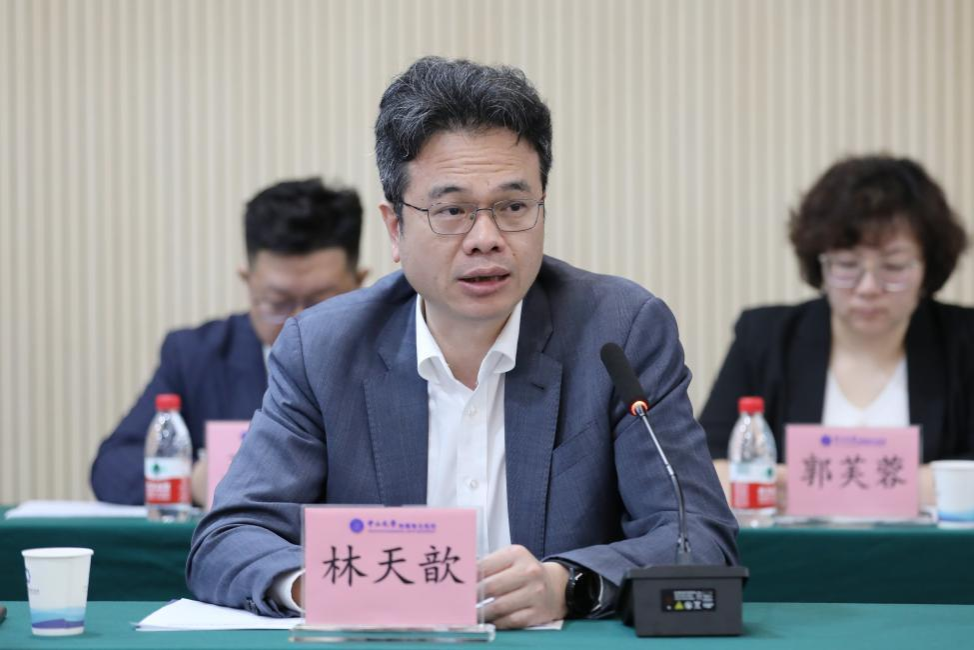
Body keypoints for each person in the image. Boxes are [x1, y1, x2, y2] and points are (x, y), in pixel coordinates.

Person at [187, 56, 737, 629]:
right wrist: (325, 586)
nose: (486, 238)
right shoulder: (324, 347)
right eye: (451, 211)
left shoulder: (618, 332)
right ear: (395, 229)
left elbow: (697, 535)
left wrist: (567, 583)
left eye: (513, 207)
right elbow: (228, 537)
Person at [700, 155, 973, 502]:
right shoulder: (765, 337)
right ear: (820, 265)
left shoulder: (964, 340)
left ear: (928, 267)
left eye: (893, 266)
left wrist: (799, 485)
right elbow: (704, 469)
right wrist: (918, 486)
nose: (868, 287)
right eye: (847, 265)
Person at [90, 178, 367, 505]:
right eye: (277, 303)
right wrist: (194, 481)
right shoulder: (196, 356)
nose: (299, 324)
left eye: (321, 304)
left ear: (360, 283)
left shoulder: (396, 353)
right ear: (248, 283)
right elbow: (113, 466)